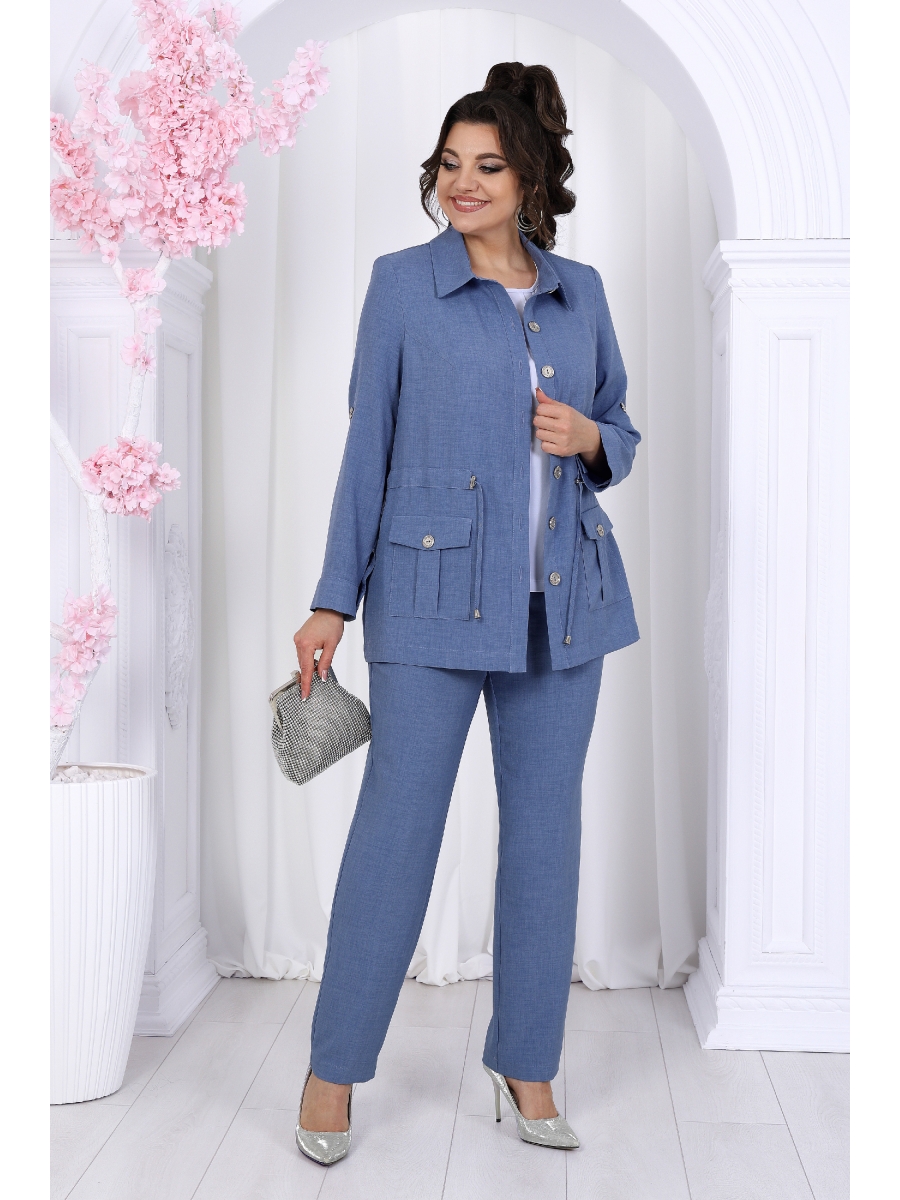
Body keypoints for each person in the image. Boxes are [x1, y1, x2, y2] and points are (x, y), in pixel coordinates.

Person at [291, 61, 641, 1166]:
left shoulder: (581, 292)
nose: (464, 183)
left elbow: (621, 431)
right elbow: (368, 447)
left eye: (488, 165)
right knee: (396, 833)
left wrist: (590, 437)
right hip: (429, 599)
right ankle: (333, 1068)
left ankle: (526, 1062)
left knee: (545, 840)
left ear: (531, 177)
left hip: (565, 606)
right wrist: (330, 601)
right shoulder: (404, 286)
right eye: (450, 164)